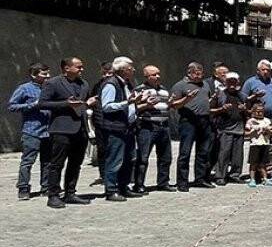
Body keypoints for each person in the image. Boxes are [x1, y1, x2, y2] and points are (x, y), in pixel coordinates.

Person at [39, 57, 95, 208]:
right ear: (66, 68)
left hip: (80, 129)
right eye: (78, 67)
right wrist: (66, 104)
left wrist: (89, 102)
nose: (82, 69)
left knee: (75, 163)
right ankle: (53, 195)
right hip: (61, 129)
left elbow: (84, 101)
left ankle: (70, 193)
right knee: (56, 164)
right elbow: (42, 103)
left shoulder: (84, 83)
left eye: (82, 67)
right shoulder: (53, 83)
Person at [98, 56, 142, 201]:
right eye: (130, 68)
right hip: (115, 128)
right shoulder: (111, 84)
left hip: (128, 127)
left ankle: (124, 187)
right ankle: (111, 190)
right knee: (115, 159)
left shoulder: (128, 83)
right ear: (123, 70)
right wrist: (127, 102)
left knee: (129, 159)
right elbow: (107, 106)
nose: (133, 70)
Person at [9, 62, 50, 200]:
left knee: (47, 161)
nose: (47, 76)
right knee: (27, 161)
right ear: (34, 75)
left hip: (48, 131)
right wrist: (32, 104)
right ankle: (23, 188)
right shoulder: (24, 89)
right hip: (32, 130)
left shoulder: (49, 88)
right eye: (44, 74)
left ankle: (46, 187)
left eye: (48, 73)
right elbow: (12, 106)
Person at [171, 62, 216, 190]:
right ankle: (182, 182)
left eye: (201, 73)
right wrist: (186, 99)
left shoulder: (205, 84)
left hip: (204, 120)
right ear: (189, 73)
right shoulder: (180, 86)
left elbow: (207, 100)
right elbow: (174, 105)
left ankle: (200, 179)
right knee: (185, 152)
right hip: (188, 121)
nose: (200, 76)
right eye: (197, 74)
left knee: (203, 152)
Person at [133, 65, 174, 193]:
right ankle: (138, 184)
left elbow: (165, 106)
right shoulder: (140, 90)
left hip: (164, 126)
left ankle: (163, 182)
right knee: (143, 157)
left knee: (165, 157)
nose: (158, 77)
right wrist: (147, 105)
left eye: (158, 74)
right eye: (154, 75)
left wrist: (170, 104)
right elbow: (134, 108)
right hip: (147, 126)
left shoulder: (164, 90)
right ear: (146, 76)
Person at [211, 72, 247, 185]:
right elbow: (210, 110)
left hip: (239, 128)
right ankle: (220, 176)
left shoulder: (242, 95)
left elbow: (250, 112)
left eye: (234, 82)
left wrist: (244, 110)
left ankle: (235, 175)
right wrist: (222, 109)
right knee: (224, 154)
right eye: (229, 81)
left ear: (237, 82)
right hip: (225, 129)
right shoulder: (220, 95)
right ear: (225, 82)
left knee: (238, 155)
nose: (232, 84)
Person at [245, 104, 272, 186]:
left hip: (265, 143)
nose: (259, 113)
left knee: (263, 163)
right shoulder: (250, 121)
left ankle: (265, 178)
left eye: (261, 111)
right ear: (254, 112)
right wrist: (253, 131)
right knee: (253, 163)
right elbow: (246, 133)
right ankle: (252, 179)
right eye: (257, 111)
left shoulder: (267, 120)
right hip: (255, 144)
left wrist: (267, 130)